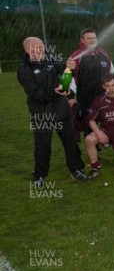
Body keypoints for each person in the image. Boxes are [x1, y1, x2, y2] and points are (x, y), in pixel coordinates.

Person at [17, 37, 87, 186]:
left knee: (70, 141)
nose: (42, 48)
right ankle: (40, 175)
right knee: (42, 145)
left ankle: (76, 169)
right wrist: (54, 91)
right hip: (41, 113)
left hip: (61, 109)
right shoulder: (23, 69)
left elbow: (65, 70)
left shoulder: (51, 60)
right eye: (38, 46)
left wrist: (70, 66)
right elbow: (35, 93)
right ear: (28, 50)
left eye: (42, 45)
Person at [67, 28, 114, 138]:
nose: (92, 40)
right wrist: (70, 96)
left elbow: (112, 73)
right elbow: (69, 77)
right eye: (89, 38)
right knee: (89, 128)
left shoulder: (103, 53)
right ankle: (94, 152)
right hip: (86, 100)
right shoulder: (76, 56)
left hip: (104, 97)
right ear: (82, 40)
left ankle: (113, 145)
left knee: (110, 125)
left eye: (94, 38)